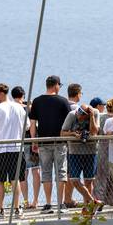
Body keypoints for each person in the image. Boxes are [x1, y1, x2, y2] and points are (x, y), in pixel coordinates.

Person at [27, 75, 71, 212]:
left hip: (43, 142)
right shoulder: (63, 101)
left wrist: (34, 140)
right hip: (60, 141)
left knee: (46, 172)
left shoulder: (37, 101)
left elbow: (33, 124)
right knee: (61, 172)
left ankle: (47, 203)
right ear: (56, 85)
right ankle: (60, 204)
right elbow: (69, 123)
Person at [0, 83, 26, 215]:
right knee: (15, 179)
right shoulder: (19, 108)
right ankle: (17, 207)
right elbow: (26, 127)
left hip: (0, 149)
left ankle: (1, 208)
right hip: (17, 148)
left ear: (1, 93)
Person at [62, 98, 99, 209]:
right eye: (78, 112)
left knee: (89, 180)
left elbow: (94, 132)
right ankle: (92, 201)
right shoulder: (72, 115)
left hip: (90, 151)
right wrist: (74, 134)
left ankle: (88, 207)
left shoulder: (95, 114)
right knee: (74, 180)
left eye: (82, 115)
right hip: (74, 152)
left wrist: (92, 116)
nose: (79, 115)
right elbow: (62, 133)